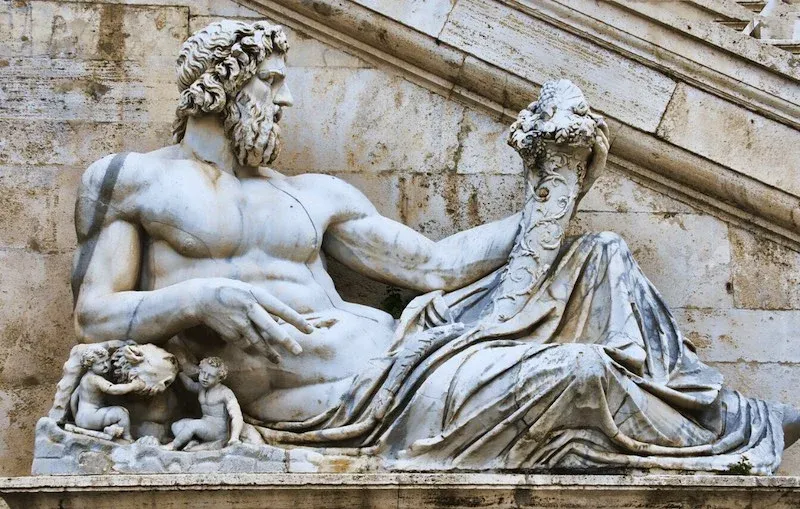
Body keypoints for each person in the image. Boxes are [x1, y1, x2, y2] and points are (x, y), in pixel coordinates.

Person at [68, 20, 799, 473]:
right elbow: (94, 313)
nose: (286, 100)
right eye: (273, 83)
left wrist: (554, 191)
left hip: (414, 352)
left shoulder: (311, 194)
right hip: (348, 404)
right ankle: (743, 432)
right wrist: (205, 296)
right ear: (227, 86)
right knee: (581, 373)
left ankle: (718, 413)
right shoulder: (130, 182)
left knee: (597, 254)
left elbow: (435, 264)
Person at [164, 357, 243, 450]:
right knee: (176, 425)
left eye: (211, 376)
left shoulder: (225, 393)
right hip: (205, 424)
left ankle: (173, 445)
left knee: (193, 425)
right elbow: (190, 385)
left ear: (220, 378)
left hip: (218, 430)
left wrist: (234, 437)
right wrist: (179, 371)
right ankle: (194, 442)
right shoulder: (201, 388)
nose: (205, 378)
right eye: (203, 373)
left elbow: (237, 416)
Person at [71, 345, 144, 440]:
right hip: (91, 417)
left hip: (81, 418)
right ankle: (127, 438)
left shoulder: (84, 379)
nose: (105, 365)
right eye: (100, 363)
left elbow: (73, 398)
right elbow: (113, 389)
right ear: (90, 365)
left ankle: (111, 429)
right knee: (122, 413)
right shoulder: (95, 379)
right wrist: (134, 385)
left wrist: (76, 418)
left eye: (106, 360)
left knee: (113, 412)